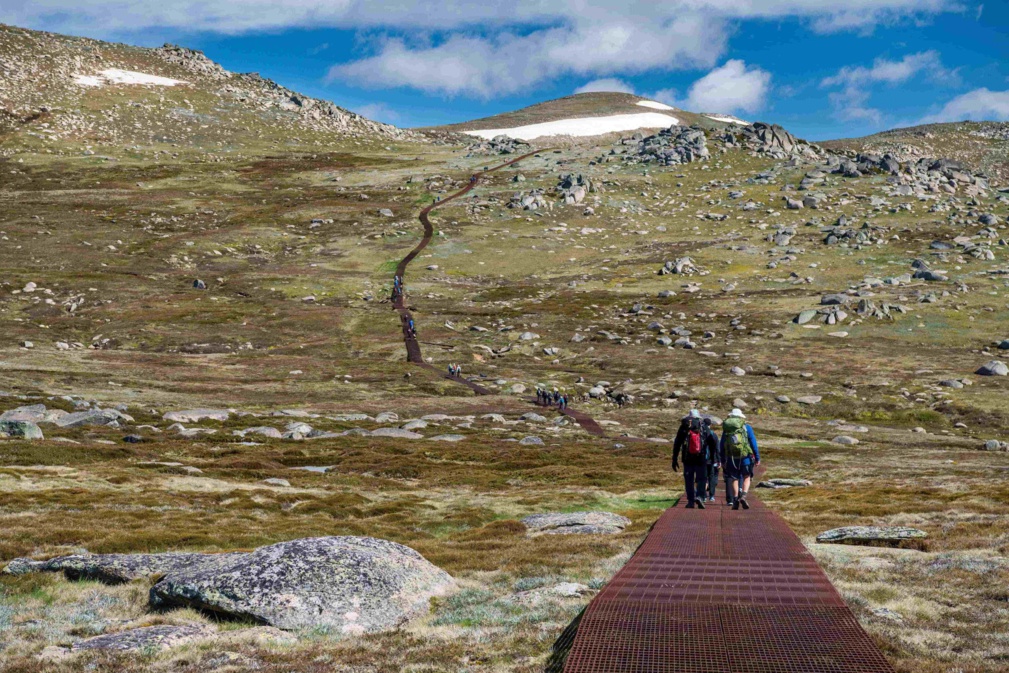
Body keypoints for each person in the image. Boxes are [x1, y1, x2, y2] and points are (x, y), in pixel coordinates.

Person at [673, 410, 717, 509]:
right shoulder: (703, 426)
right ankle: (700, 497)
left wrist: (674, 458)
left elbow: (677, 443)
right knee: (701, 478)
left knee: (689, 479)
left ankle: (690, 501)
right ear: (698, 417)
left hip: (687, 458)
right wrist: (713, 457)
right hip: (701, 458)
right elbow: (712, 441)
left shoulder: (684, 426)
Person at [720, 408, 760, 510]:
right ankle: (743, 496)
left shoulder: (727, 429)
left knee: (734, 478)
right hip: (745, 457)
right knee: (746, 476)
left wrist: (723, 459)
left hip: (731, 457)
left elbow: (722, 444)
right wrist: (757, 457)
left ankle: (735, 498)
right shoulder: (747, 427)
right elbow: (753, 442)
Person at [702, 418, 720, 503]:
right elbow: (717, 449)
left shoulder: (701, 433)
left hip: (702, 459)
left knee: (703, 477)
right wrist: (718, 460)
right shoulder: (713, 434)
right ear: (710, 425)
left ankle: (704, 495)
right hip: (712, 460)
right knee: (711, 477)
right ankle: (712, 496)